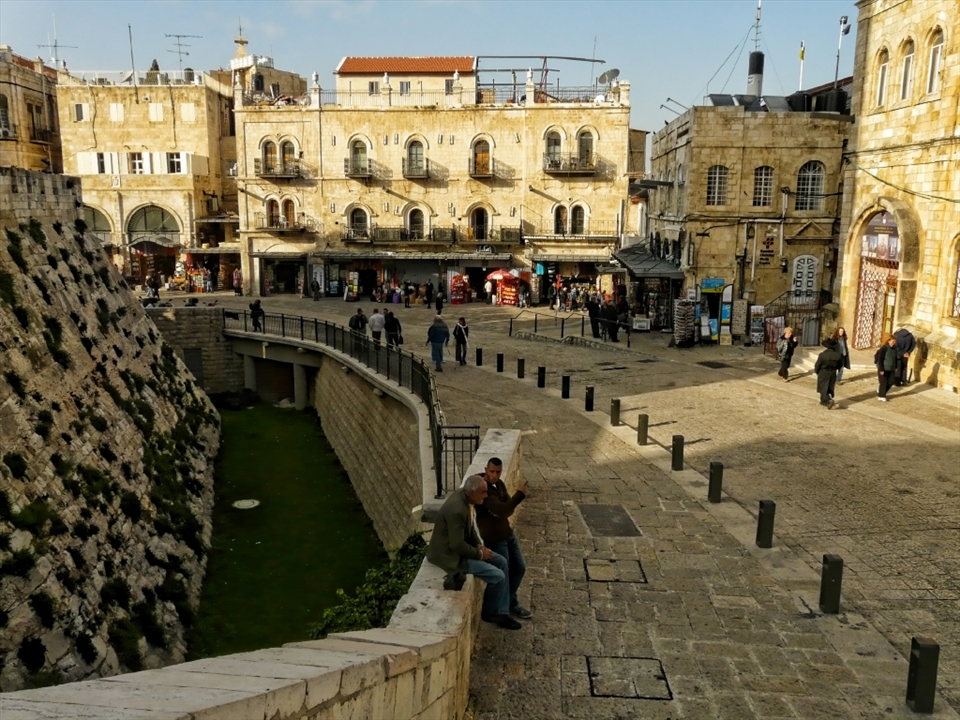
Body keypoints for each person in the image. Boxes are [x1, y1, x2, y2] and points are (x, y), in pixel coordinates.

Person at [425, 475, 520, 630]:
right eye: (483, 493)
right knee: (498, 576)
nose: (486, 496)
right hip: (452, 557)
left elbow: (469, 528)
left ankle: (501, 611)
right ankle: (491, 613)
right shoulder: (457, 510)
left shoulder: (466, 500)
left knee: (502, 561)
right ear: (472, 493)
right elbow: (457, 545)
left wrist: (478, 544)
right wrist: (480, 554)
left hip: (465, 550)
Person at [475, 458, 532, 621]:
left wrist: (503, 509)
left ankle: (509, 602)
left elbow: (507, 509)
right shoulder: (482, 488)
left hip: (508, 534)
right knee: (503, 573)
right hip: (495, 539)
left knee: (519, 568)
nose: (494, 475)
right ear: (486, 469)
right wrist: (519, 494)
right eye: (491, 471)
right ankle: (499, 610)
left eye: (498, 472)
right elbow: (503, 508)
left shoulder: (499, 485)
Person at [814, 338, 843, 408]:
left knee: (823, 388)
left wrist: (817, 371)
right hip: (832, 372)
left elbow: (817, 365)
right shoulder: (838, 355)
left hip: (823, 372)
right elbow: (840, 365)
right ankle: (823, 401)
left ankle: (828, 400)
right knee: (829, 387)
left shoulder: (822, 355)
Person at [875, 333, 897, 402]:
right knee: (883, 382)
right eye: (893, 341)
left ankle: (881, 391)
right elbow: (880, 359)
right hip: (883, 368)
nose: (894, 343)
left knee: (891, 381)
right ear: (889, 341)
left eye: (895, 342)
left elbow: (895, 359)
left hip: (891, 369)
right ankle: (881, 396)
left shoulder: (894, 349)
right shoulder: (884, 349)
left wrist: (895, 367)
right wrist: (881, 369)